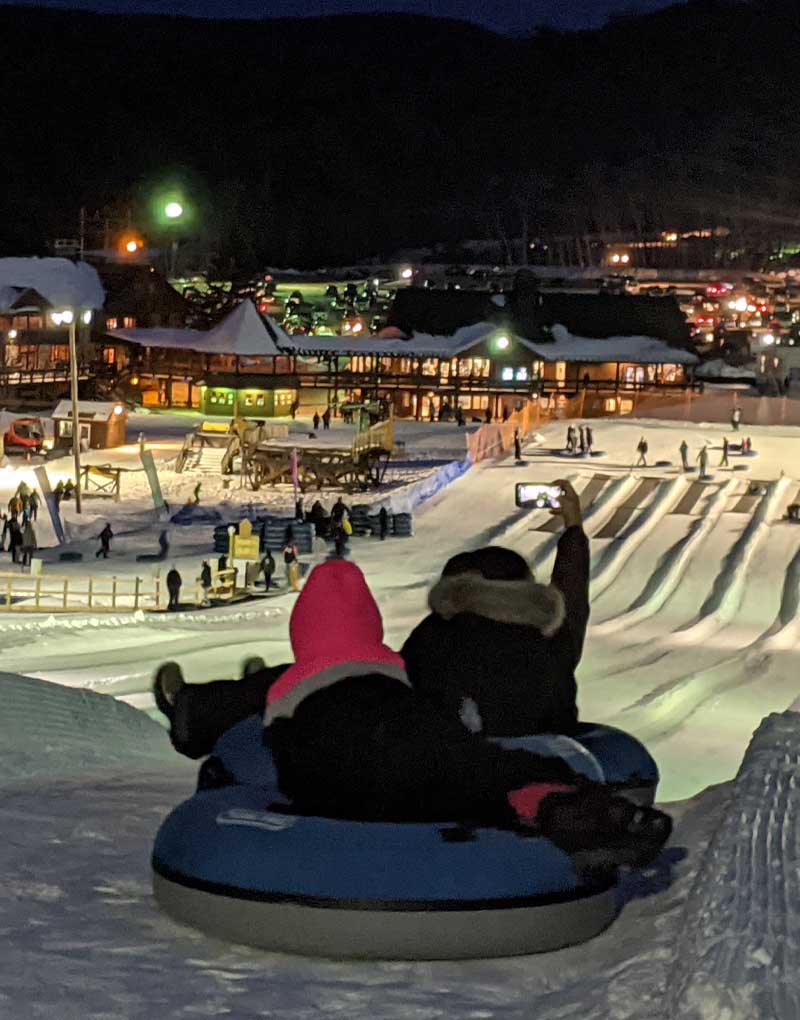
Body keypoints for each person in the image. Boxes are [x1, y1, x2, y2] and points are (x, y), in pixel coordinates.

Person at [402, 479, 588, 740]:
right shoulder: (546, 643)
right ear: (527, 591)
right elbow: (572, 606)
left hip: (446, 777)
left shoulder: (432, 638)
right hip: (541, 775)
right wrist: (573, 530)